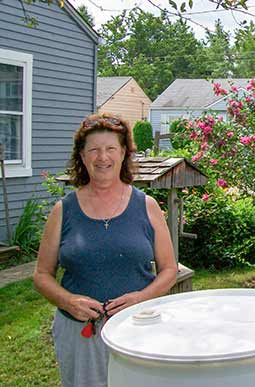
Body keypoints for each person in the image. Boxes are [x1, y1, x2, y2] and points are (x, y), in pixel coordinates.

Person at [33, 113, 177, 387]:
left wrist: (141, 298)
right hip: (80, 334)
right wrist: (67, 301)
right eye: (94, 150)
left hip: (139, 328)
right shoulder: (63, 210)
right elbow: (41, 275)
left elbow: (169, 270)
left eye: (110, 148)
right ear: (83, 156)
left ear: (123, 153)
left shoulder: (147, 206)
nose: (103, 157)